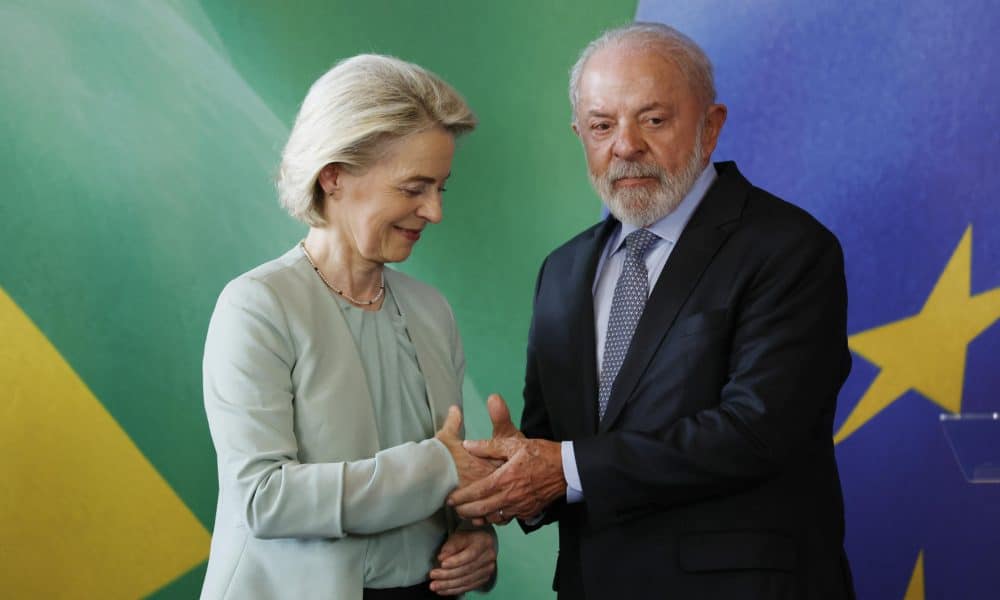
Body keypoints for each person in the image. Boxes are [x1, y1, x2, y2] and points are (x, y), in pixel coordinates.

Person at [449, 23, 856, 599]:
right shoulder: (562, 272)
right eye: (601, 125)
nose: (625, 144)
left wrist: (560, 468)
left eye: (654, 119)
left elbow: (757, 431)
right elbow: (556, 446)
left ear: (710, 127)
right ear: (579, 135)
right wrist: (507, 475)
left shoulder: (789, 248)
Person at [201, 54, 498, 600]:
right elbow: (263, 498)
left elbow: (447, 480)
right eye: (414, 188)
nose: (434, 211)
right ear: (332, 176)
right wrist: (439, 467)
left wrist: (477, 538)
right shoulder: (256, 307)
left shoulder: (432, 311)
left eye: (441, 188)